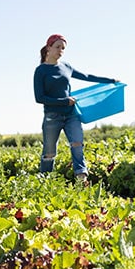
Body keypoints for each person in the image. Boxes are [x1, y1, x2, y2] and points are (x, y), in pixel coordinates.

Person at [33, 34, 117, 183]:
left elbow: (87, 76)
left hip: (71, 115)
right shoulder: (41, 71)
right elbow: (40, 98)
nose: (61, 51)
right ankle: (45, 182)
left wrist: (109, 81)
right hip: (52, 116)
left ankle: (81, 177)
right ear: (48, 48)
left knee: (77, 144)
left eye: (63, 48)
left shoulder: (66, 67)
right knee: (49, 153)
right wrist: (64, 101)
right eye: (58, 47)